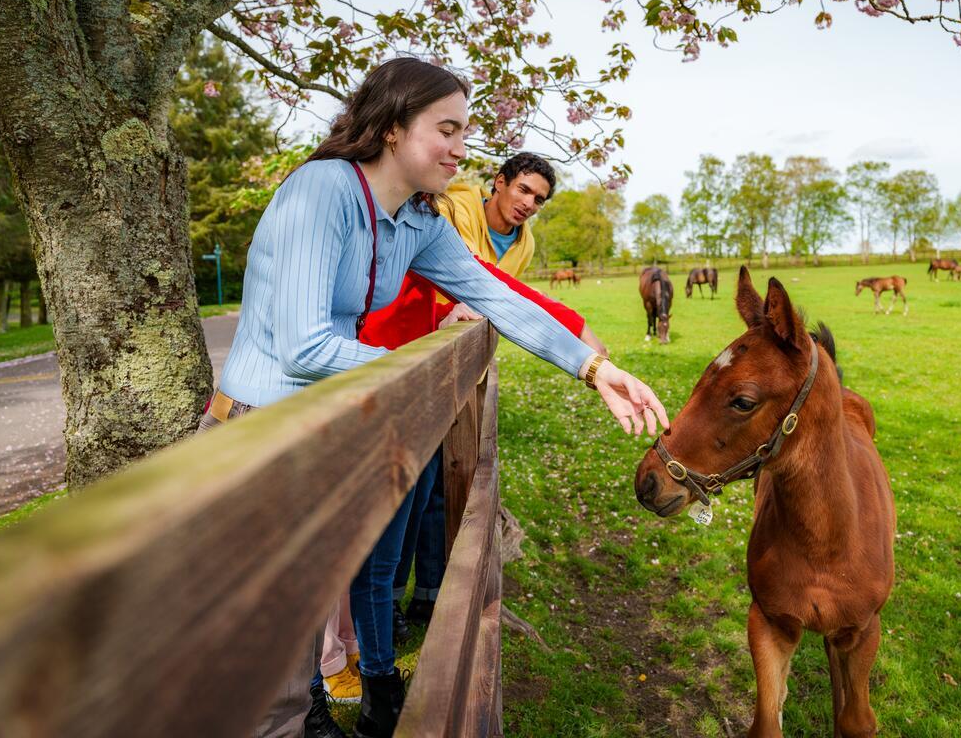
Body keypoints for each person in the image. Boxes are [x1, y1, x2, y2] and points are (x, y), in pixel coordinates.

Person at [199, 57, 668, 738]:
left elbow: (496, 295)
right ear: (392, 127)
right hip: (256, 434)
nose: (461, 149)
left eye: (465, 131)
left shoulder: (415, 221)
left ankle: (316, 713)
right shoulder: (321, 191)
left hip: (317, 431)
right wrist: (415, 375)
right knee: (260, 669)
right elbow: (304, 348)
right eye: (446, 129)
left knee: (293, 644)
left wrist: (594, 367)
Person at [352, 153, 603, 653]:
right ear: (498, 182)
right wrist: (573, 329)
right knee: (389, 506)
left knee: (433, 490)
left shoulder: (523, 242)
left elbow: (494, 292)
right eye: (524, 191)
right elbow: (478, 280)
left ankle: (418, 600)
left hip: (447, 367)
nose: (529, 204)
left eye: (540, 199)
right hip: (396, 355)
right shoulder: (449, 209)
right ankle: (365, 636)